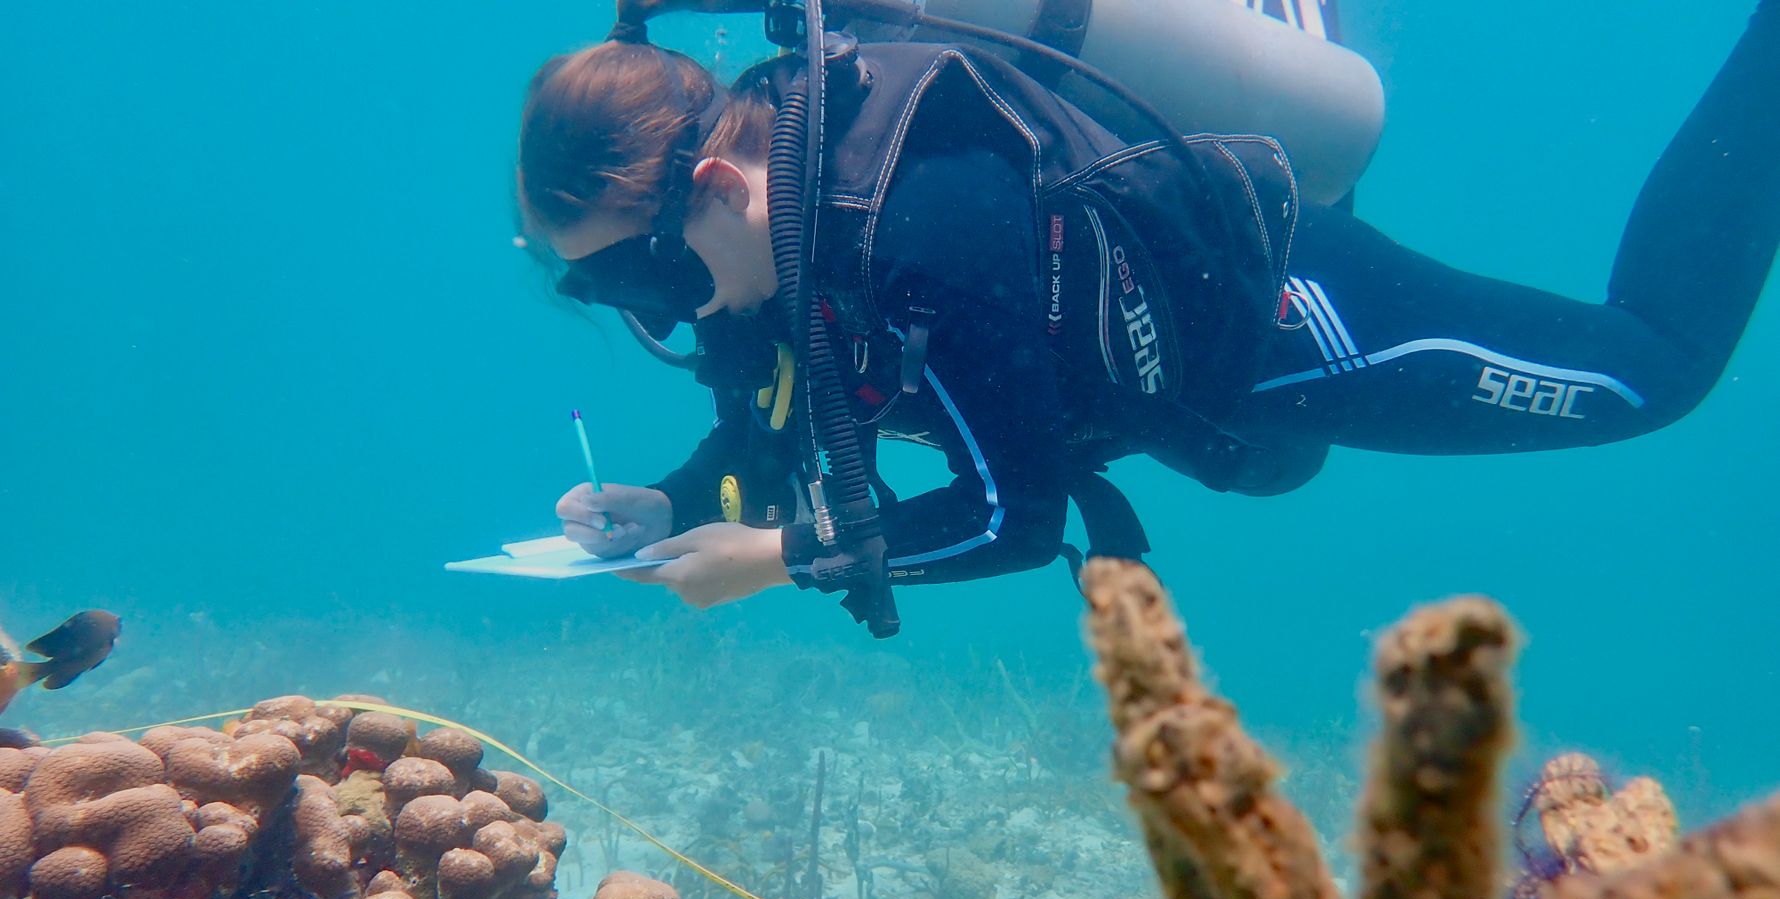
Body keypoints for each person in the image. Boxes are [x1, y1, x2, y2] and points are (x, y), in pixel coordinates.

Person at [516, 1, 1778, 615]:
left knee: (1646, 371)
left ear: (720, 181)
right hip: (1175, 393)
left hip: (1281, 311)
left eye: (643, 274)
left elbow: (1016, 517)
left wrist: (782, 561)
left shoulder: (912, 224)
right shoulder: (767, 238)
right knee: (1278, 467)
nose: (664, 317)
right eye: (601, 290)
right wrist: (675, 500)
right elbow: (771, 415)